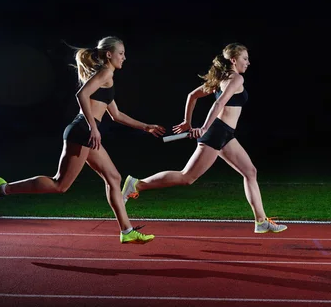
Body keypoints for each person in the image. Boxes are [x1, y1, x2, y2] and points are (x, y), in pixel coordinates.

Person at [0, 36, 166, 244]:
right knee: (60, 185)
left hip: (85, 133)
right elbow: (82, 94)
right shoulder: (104, 73)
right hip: (82, 131)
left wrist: (146, 127)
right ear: (109, 54)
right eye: (121, 53)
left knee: (114, 178)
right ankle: (3, 188)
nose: (124, 57)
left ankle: (127, 231)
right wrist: (93, 127)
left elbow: (116, 115)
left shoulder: (109, 78)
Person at [122, 42, 287, 233]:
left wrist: (187, 123)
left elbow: (192, 96)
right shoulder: (235, 79)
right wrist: (203, 127)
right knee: (187, 177)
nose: (248, 62)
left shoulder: (222, 78)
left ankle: (261, 221)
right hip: (216, 132)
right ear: (234, 60)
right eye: (245, 58)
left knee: (250, 171)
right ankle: (136, 184)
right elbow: (218, 104)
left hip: (225, 134)